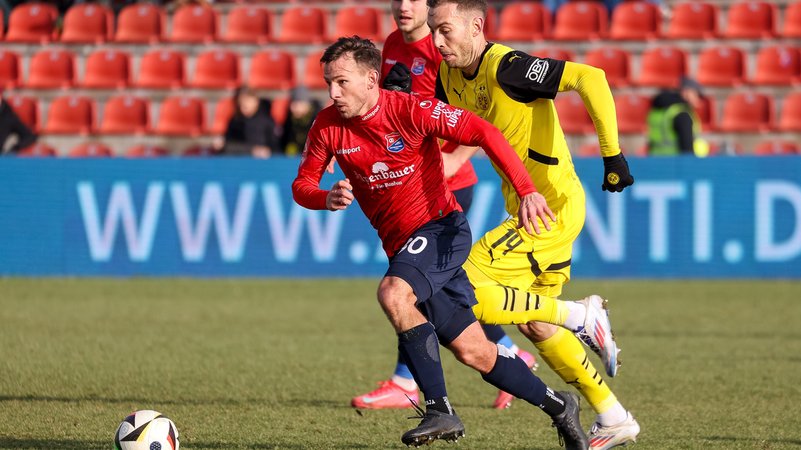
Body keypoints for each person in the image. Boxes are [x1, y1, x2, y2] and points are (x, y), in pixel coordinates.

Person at [292, 36, 618, 449]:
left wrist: (527, 190)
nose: (333, 93)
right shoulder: (327, 126)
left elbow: (483, 131)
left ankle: (439, 409)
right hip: (403, 247)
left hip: (441, 231)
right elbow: (302, 184)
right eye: (328, 83)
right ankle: (560, 406)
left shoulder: (410, 110)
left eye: (342, 81)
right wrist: (325, 198)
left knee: (394, 293)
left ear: (372, 79)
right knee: (476, 352)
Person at [425, 0, 639, 448]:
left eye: (446, 30)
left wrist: (612, 153)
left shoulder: (508, 67)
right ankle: (614, 415)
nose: (438, 42)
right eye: (434, 31)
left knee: (461, 289)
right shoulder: (448, 76)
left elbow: (590, 77)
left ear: (476, 26)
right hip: (526, 209)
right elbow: (447, 126)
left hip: (549, 208)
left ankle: (582, 314)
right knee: (536, 324)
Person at [350, 0, 536, 412]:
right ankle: (508, 353)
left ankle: (407, 382)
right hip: (406, 181)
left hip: (445, 186)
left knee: (409, 289)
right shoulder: (392, 45)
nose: (403, 6)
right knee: (437, 293)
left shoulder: (446, 47)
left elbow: (479, 112)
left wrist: (457, 157)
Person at [647, 76, 710, 157]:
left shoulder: (659, 110)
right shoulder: (682, 114)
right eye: (698, 95)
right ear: (686, 92)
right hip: (674, 165)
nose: (699, 101)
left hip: (655, 162)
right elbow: (687, 151)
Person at [214, 86, 278, 158]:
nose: (243, 107)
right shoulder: (235, 121)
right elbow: (228, 145)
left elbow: (275, 147)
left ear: (255, 101)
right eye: (240, 104)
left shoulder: (266, 121)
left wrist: (266, 151)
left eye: (247, 102)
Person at [278, 86, 321, 157]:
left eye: (298, 104)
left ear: (307, 105)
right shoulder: (290, 119)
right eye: (293, 103)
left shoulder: (318, 120)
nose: (293, 108)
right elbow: (284, 141)